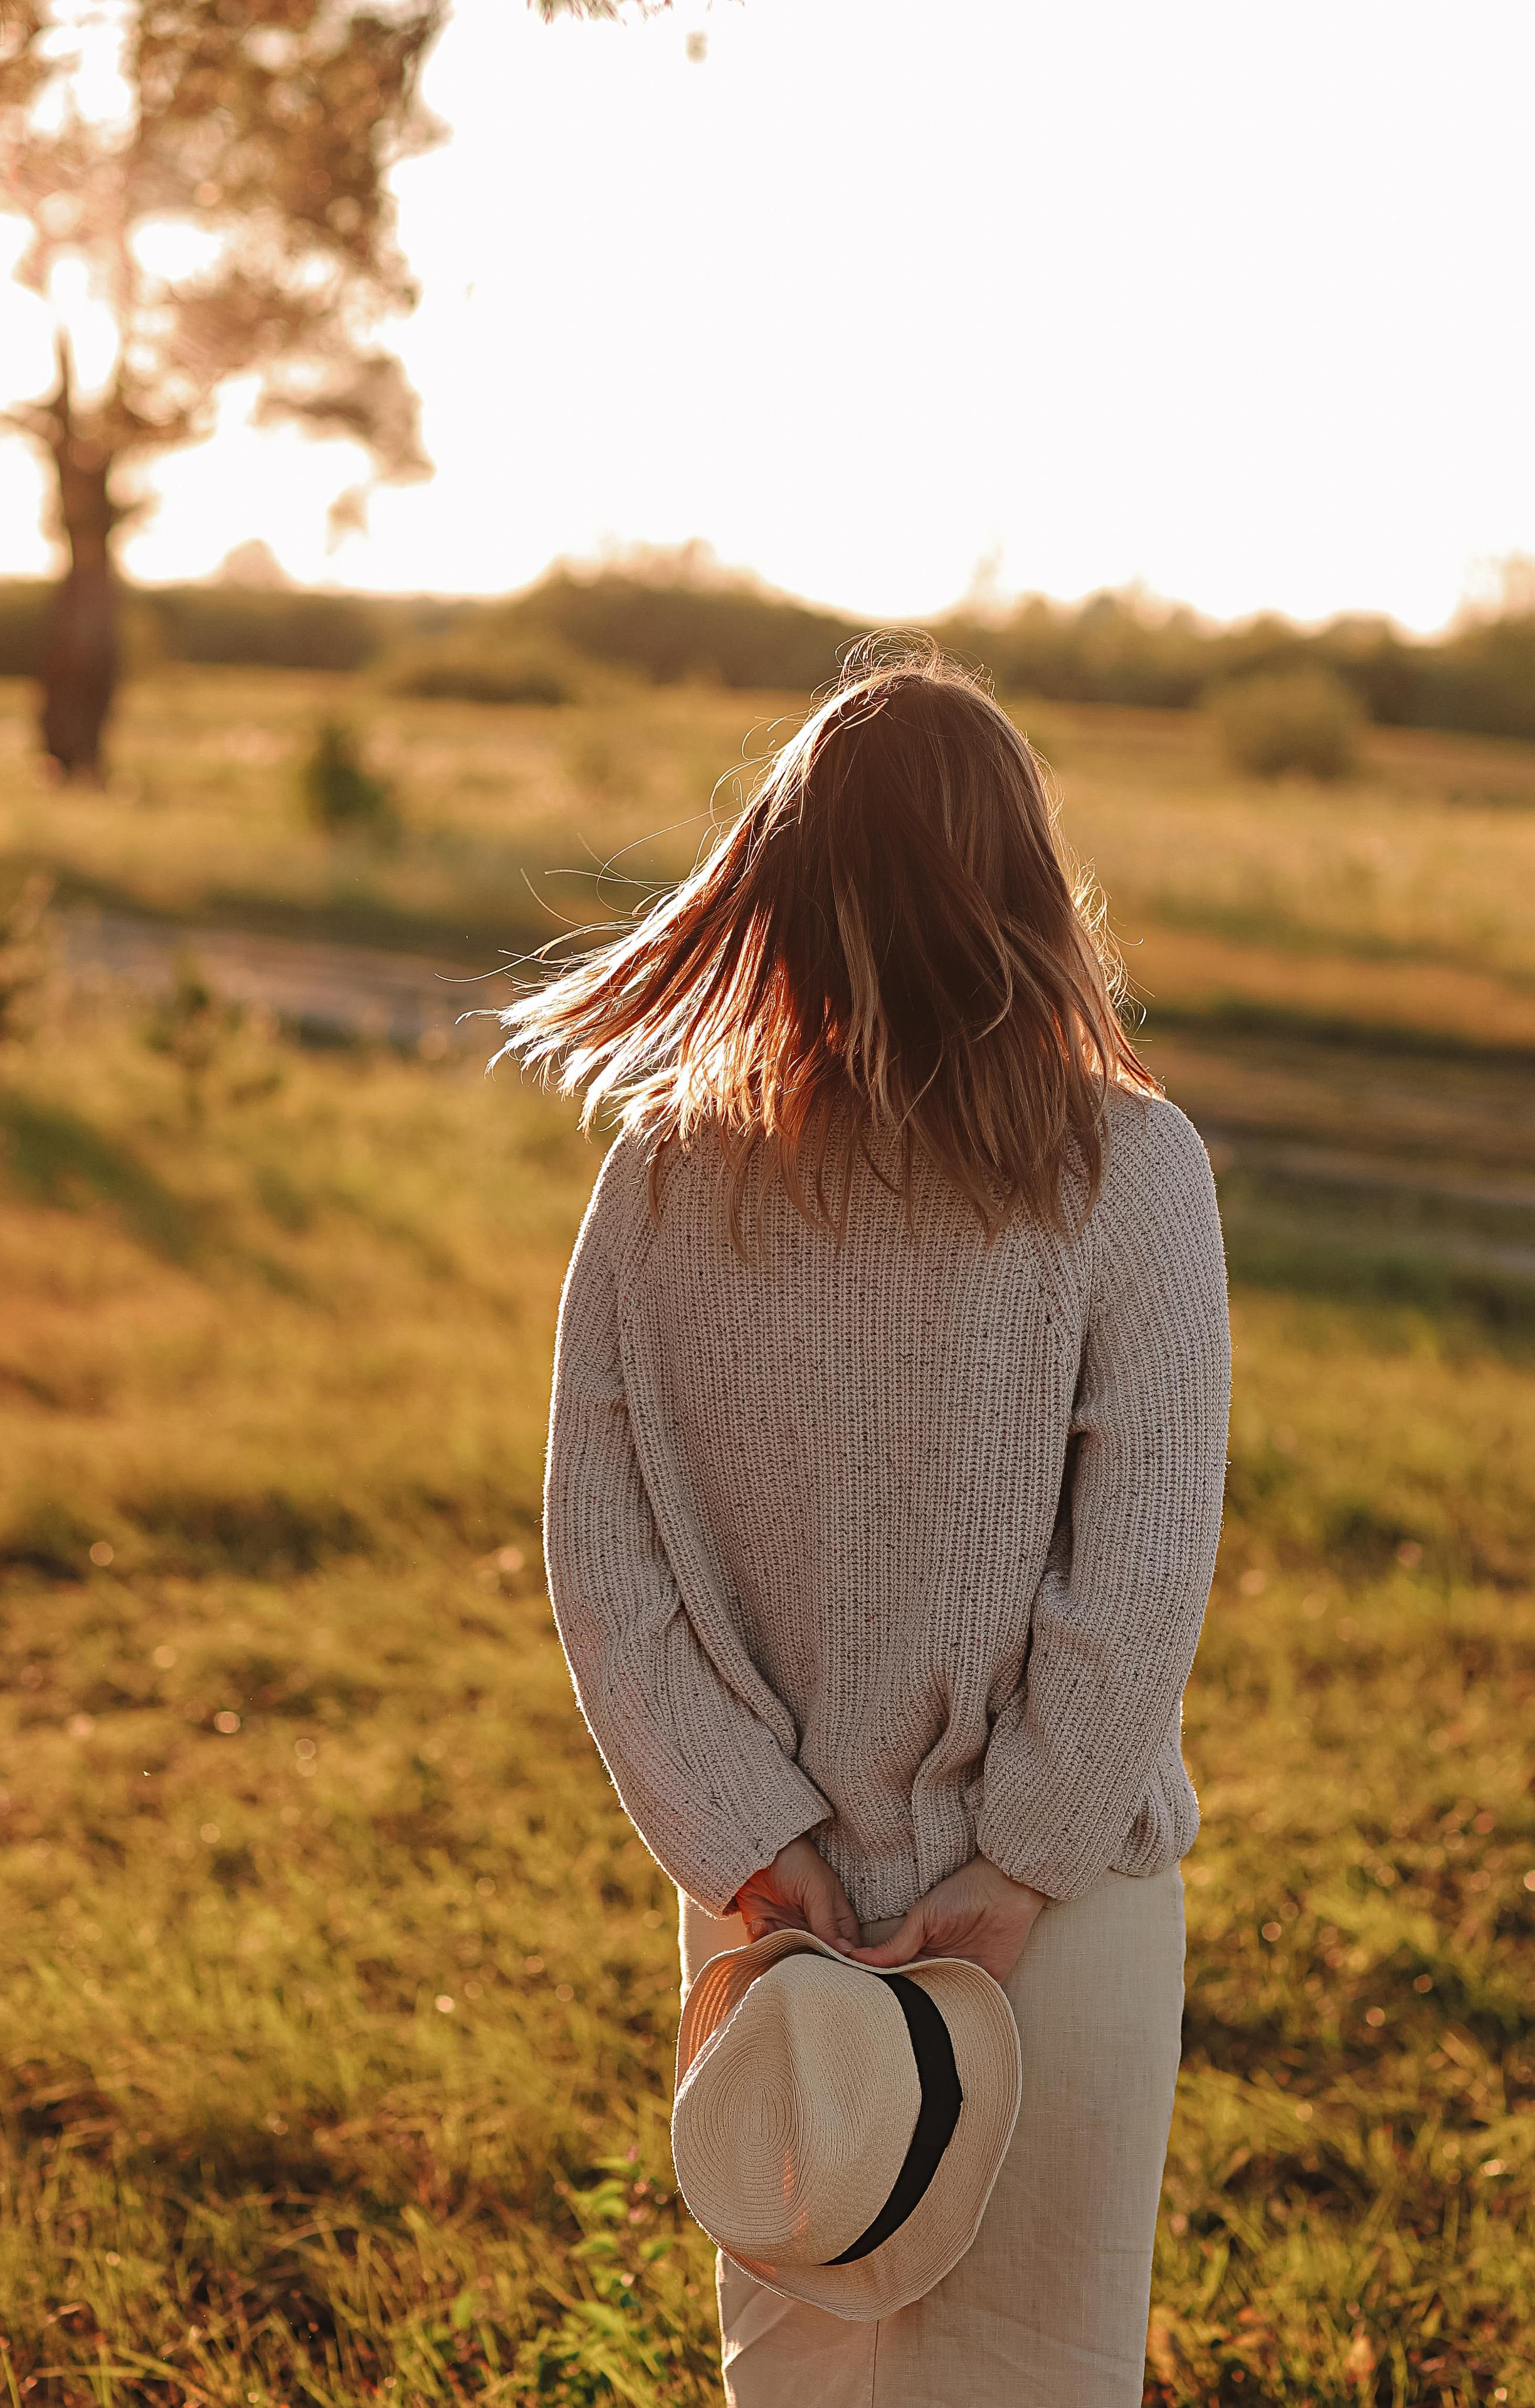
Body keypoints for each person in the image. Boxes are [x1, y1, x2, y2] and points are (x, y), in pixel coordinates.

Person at [500, 637, 1231, 2407]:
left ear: (782, 886)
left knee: (806, 2372)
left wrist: (751, 1839)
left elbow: (601, 1560)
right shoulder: (1132, 1168)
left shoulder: (662, 1173)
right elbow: (1135, 1575)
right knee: (1042, 2372)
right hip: (1056, 1926)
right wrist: (1017, 1867)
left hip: (779, 1916)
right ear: (1025, 885)